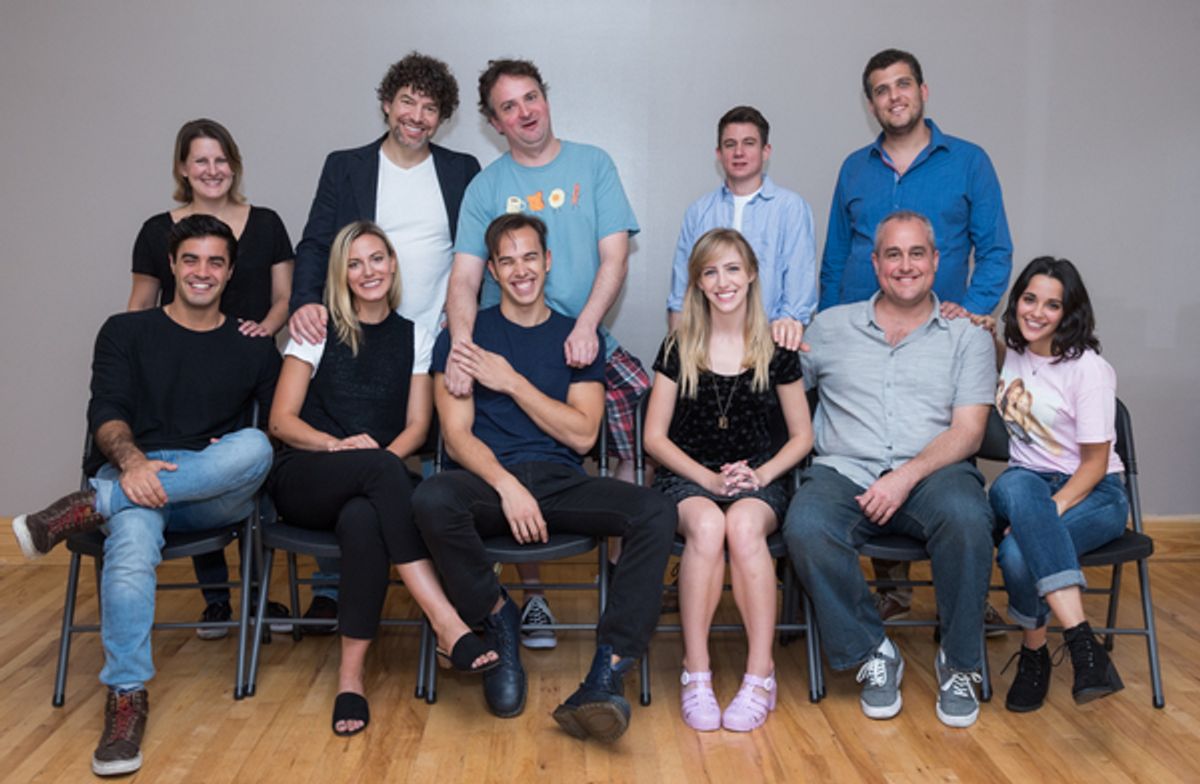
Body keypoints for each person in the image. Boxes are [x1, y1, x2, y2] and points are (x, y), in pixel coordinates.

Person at [12, 215, 280, 776]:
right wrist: (132, 462)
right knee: (132, 543)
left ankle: (88, 508)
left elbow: (276, 429)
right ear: (171, 267)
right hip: (133, 472)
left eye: (214, 262)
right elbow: (105, 415)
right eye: (190, 260)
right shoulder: (124, 332)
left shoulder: (252, 345)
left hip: (211, 490)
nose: (201, 273)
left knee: (253, 446)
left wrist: (211, 456)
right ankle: (127, 698)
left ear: (229, 272)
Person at [413, 213, 676, 742]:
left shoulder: (577, 338)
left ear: (548, 261)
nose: (520, 270)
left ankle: (609, 669)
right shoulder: (465, 338)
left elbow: (582, 436)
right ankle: (497, 618)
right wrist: (506, 486)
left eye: (530, 257)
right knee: (430, 498)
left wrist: (511, 382)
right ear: (491, 270)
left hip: (561, 480)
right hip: (489, 481)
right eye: (507, 261)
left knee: (656, 509)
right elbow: (458, 435)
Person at [444, 58, 648, 647]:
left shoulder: (594, 164)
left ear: (545, 98)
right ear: (493, 121)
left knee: (641, 435)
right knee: (513, 451)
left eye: (531, 98)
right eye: (509, 106)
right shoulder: (486, 186)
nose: (525, 112)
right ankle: (533, 598)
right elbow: (464, 278)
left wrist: (587, 325)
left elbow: (615, 258)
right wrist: (461, 344)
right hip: (510, 344)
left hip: (583, 340)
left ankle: (619, 576)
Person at [267, 221, 497, 736]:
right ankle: (446, 620)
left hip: (375, 484)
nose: (367, 271)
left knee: (365, 519)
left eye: (376, 259)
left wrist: (378, 466)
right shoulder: (316, 328)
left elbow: (417, 427)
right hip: (306, 475)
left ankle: (350, 679)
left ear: (393, 265)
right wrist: (338, 447)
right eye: (354, 263)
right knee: (378, 473)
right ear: (342, 274)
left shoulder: (416, 335)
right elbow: (281, 420)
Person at [820, 48, 1013, 624]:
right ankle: (894, 589)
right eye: (881, 89)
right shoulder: (854, 168)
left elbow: (996, 248)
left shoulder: (969, 161)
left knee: (939, 458)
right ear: (871, 101)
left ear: (923, 92)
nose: (893, 96)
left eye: (902, 84)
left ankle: (967, 601)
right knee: (864, 442)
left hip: (939, 340)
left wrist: (973, 315)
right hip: (860, 339)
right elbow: (834, 258)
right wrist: (831, 332)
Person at [287, 52, 480, 628]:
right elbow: (318, 242)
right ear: (387, 103)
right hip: (355, 333)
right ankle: (333, 584)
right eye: (407, 102)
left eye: (430, 107)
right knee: (346, 440)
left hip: (431, 340)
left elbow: (473, 256)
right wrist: (305, 304)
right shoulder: (346, 166)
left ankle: (452, 577)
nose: (417, 115)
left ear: (442, 117)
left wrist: (463, 326)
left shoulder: (461, 168)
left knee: (439, 456)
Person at [783, 210, 996, 729]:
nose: (905, 266)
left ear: (937, 261)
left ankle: (961, 663)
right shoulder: (829, 328)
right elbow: (774, 381)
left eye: (916, 253)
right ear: (875, 263)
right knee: (805, 527)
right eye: (893, 254)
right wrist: (771, 336)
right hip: (845, 473)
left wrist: (903, 478)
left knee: (970, 521)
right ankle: (873, 650)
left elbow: (968, 432)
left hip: (934, 473)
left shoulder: (967, 337)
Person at [128, 118, 294, 635]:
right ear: (182, 168)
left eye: (221, 160)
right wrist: (136, 369)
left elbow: (286, 298)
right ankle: (216, 600)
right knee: (188, 458)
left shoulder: (265, 223)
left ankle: (256, 597)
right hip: (180, 374)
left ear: (234, 165)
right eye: (200, 160)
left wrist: (261, 333)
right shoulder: (159, 230)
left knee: (251, 463)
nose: (212, 170)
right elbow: (140, 306)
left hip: (248, 368)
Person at [645, 229, 812, 732]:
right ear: (697, 282)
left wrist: (757, 475)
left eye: (733, 269)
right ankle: (696, 673)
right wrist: (707, 480)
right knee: (707, 528)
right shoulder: (678, 346)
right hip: (687, 475)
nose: (724, 281)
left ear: (752, 274)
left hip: (759, 475)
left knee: (741, 528)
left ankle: (760, 675)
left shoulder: (777, 349)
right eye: (711, 271)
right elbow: (655, 438)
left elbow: (802, 437)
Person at [981, 257, 1128, 712]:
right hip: (1023, 484)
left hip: (1093, 491)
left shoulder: (1089, 370)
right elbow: (1005, 364)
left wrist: (1049, 511)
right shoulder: (1014, 352)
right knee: (1018, 487)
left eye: (1052, 304)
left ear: (1068, 312)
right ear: (1017, 300)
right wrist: (980, 326)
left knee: (1016, 554)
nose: (1036, 312)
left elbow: (1095, 463)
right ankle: (1086, 647)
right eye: (1029, 299)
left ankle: (1035, 653)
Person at [666, 107, 817, 351]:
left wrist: (781, 340)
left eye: (749, 143)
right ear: (718, 152)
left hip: (769, 346)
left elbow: (799, 287)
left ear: (765, 151)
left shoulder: (791, 208)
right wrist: (678, 353)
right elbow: (680, 292)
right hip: (706, 349)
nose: (739, 152)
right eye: (730, 144)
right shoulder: (698, 211)